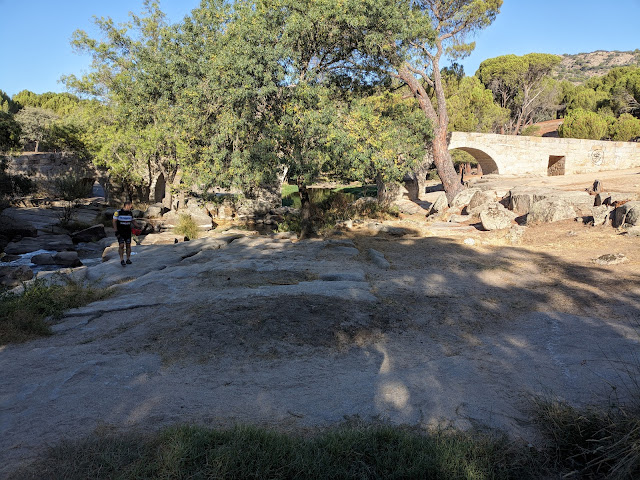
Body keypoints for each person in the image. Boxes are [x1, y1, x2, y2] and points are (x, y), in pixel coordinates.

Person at [112, 200, 138, 267]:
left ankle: (128, 259)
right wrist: (116, 231)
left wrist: (138, 227)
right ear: (127, 205)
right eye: (130, 206)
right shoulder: (118, 212)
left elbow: (133, 221)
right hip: (120, 231)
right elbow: (114, 221)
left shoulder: (130, 213)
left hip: (128, 231)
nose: (131, 207)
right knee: (121, 245)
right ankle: (121, 259)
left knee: (128, 245)